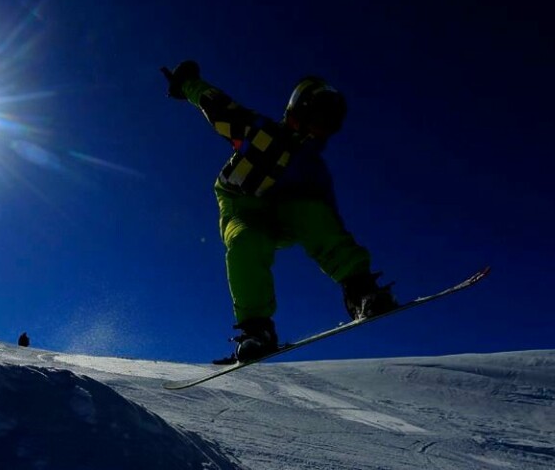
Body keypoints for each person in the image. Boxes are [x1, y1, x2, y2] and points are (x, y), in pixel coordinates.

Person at [162, 61, 397, 363]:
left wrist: (353, 275)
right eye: (320, 117)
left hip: (285, 215)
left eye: (331, 123)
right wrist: (186, 84)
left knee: (312, 212)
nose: (323, 129)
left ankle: (361, 292)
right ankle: (256, 330)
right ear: (299, 110)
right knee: (246, 242)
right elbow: (217, 106)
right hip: (242, 205)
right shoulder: (262, 134)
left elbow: (327, 227)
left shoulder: (314, 170)